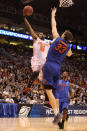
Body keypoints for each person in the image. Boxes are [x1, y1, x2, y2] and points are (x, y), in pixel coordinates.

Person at [42, 7, 73, 123]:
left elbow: (53, 26)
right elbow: (70, 54)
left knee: (48, 91)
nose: (62, 33)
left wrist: (53, 14)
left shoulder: (57, 38)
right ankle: (57, 112)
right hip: (57, 69)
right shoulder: (68, 47)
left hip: (49, 65)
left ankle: (56, 114)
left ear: (63, 36)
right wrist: (68, 46)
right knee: (55, 92)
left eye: (63, 33)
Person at [23, 12, 50, 87]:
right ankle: (29, 85)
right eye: (39, 34)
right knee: (35, 73)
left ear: (44, 36)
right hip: (36, 60)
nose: (40, 34)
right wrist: (25, 19)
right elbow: (30, 28)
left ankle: (47, 93)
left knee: (44, 79)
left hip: (44, 61)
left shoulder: (48, 43)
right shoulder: (36, 39)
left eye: (42, 34)